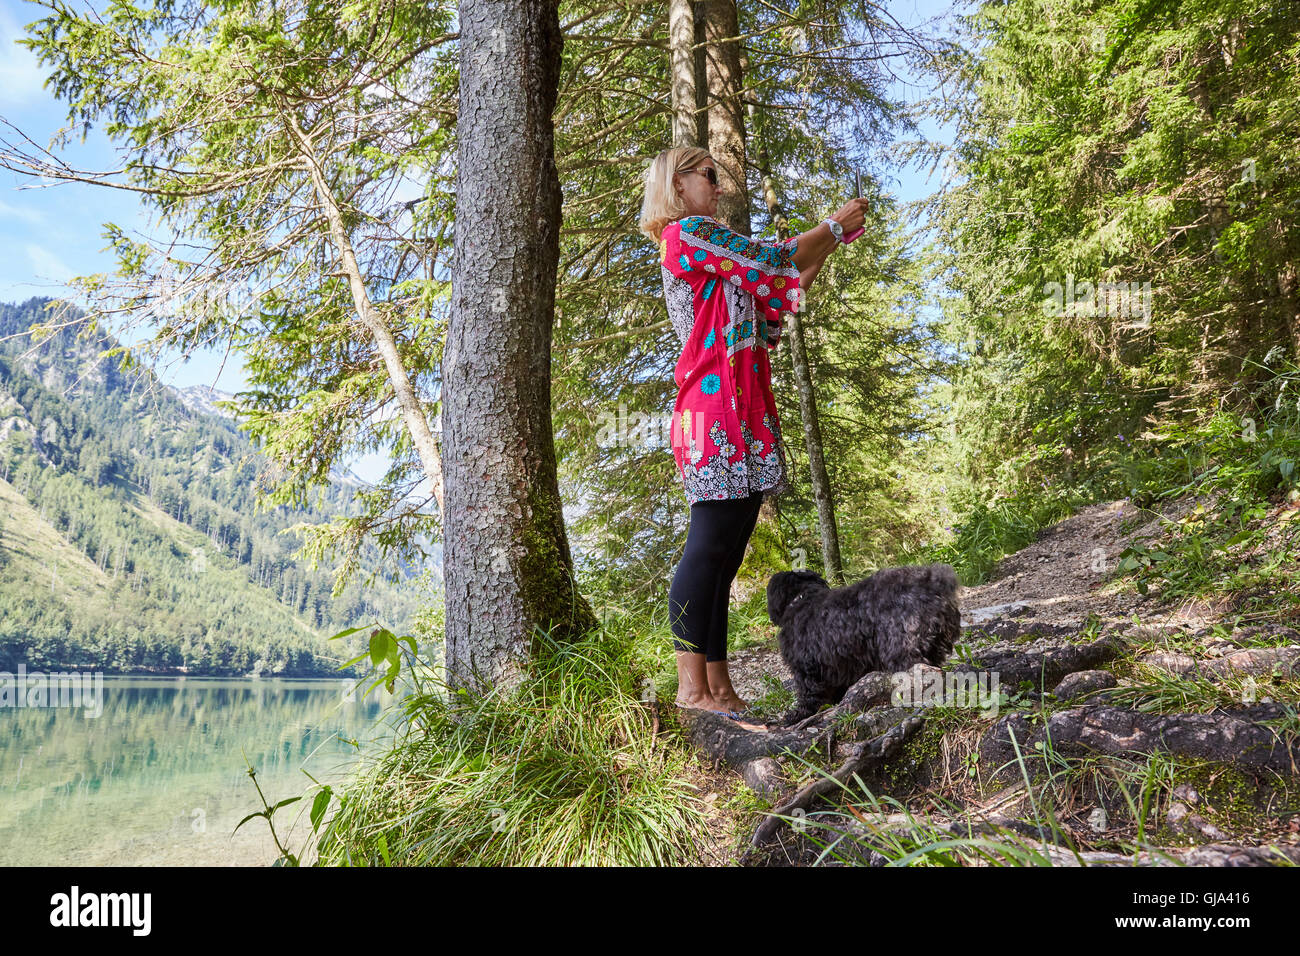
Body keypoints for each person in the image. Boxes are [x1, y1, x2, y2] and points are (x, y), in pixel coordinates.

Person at [638, 145, 869, 728]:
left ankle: (717, 682)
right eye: (708, 176)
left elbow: (778, 296)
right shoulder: (685, 234)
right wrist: (830, 228)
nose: (718, 187)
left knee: (731, 547)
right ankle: (690, 687)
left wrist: (831, 244)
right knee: (708, 543)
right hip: (710, 411)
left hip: (747, 413)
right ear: (678, 183)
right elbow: (770, 260)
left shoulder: (719, 256)